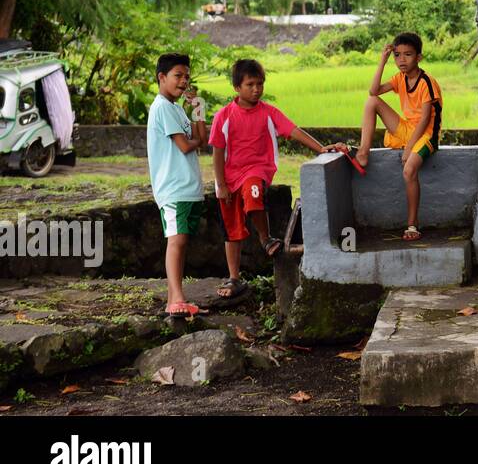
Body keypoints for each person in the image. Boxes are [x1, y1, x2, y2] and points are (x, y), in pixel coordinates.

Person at [208, 59, 348, 301]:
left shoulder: (268, 112)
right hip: (230, 178)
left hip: (257, 171)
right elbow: (218, 152)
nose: (256, 89)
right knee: (232, 232)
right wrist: (220, 184)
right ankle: (234, 278)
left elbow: (294, 131)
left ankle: (265, 238)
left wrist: (320, 148)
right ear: (236, 87)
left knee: (253, 195)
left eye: (260, 84)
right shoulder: (224, 116)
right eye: (250, 84)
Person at [354, 33, 442, 240]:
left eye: (408, 55)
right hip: (406, 129)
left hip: (426, 135)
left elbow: (424, 120)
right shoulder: (399, 78)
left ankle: (412, 225)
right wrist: (382, 61)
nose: (402, 60)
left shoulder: (426, 82)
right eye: (397, 55)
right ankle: (363, 151)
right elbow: (373, 91)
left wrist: (410, 147)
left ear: (419, 57)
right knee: (371, 101)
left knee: (409, 170)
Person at [146, 53, 207, 317]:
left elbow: (201, 137)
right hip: (173, 188)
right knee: (176, 242)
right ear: (162, 77)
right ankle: (176, 299)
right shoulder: (161, 106)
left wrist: (198, 106)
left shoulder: (175, 108)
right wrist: (193, 141)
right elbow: (185, 145)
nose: (183, 82)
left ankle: (175, 299)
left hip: (188, 187)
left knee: (181, 242)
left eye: (187, 76)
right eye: (177, 76)